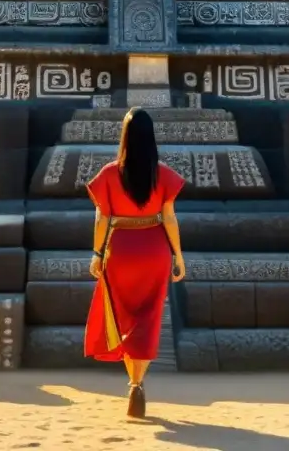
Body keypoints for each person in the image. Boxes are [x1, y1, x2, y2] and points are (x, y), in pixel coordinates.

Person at [83, 108, 187, 419]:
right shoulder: (164, 175)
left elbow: (102, 218)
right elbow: (168, 217)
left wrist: (97, 253)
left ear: (125, 137)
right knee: (148, 319)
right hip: (154, 248)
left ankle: (132, 382)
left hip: (121, 249)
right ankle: (138, 383)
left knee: (125, 319)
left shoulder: (109, 174)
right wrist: (178, 255)